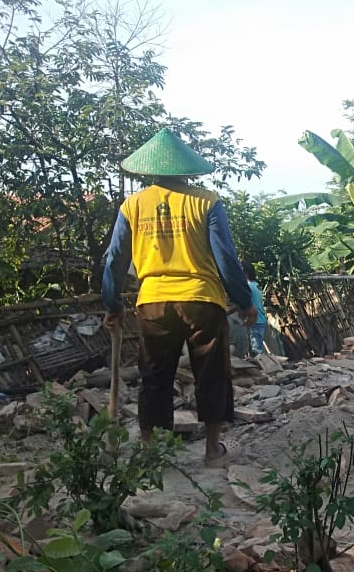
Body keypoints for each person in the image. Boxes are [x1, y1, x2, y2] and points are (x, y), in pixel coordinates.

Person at [102, 128, 256, 467]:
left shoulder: (132, 205)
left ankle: (150, 453)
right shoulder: (207, 201)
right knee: (211, 373)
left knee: (154, 376)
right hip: (202, 300)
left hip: (153, 302)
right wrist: (245, 301)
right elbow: (225, 258)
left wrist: (112, 304)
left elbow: (114, 259)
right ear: (188, 169)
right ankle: (213, 451)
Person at [242, 261, 268, 356]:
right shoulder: (256, 285)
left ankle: (262, 369)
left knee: (256, 351)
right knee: (257, 348)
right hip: (261, 321)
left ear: (245, 273)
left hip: (255, 321)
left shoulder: (247, 287)